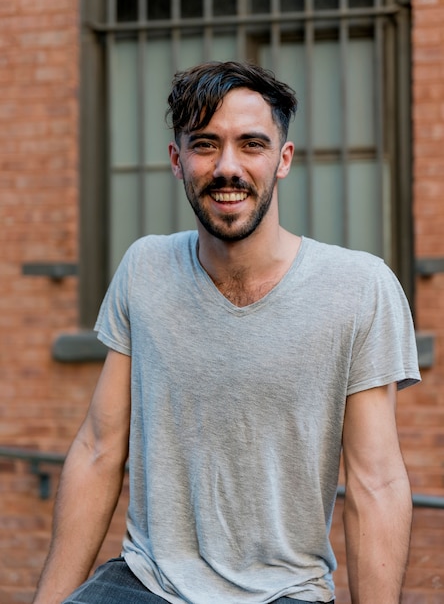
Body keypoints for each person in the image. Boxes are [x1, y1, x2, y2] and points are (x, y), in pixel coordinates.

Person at [33, 61, 420, 604]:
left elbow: (375, 482)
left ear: (283, 159)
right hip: (147, 582)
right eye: (206, 144)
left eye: (252, 144)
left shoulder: (358, 287)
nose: (228, 167)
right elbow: (98, 449)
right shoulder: (144, 268)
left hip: (285, 592)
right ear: (177, 160)